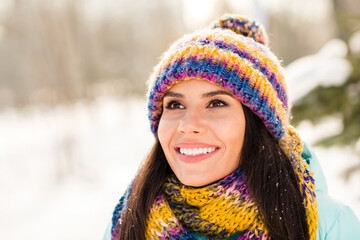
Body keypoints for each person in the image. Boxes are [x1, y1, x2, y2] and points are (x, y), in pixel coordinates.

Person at [104, 14, 360, 240]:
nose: (188, 125)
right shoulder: (130, 222)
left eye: (215, 103)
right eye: (175, 105)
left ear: (258, 124)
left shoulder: (328, 224)